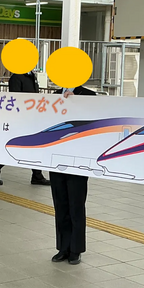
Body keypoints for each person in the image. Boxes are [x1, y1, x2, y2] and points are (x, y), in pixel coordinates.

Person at [50, 84, 96, 265]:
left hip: (79, 159)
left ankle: (76, 249)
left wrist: (76, 102)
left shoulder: (89, 96)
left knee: (76, 205)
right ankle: (63, 247)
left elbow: (94, 123)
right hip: (55, 158)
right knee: (60, 204)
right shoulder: (54, 96)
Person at [0, 69, 50, 186]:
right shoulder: (16, 77)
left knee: (34, 146)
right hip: (22, 119)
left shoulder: (32, 76)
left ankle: (37, 176)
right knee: (18, 147)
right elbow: (15, 99)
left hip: (32, 117)